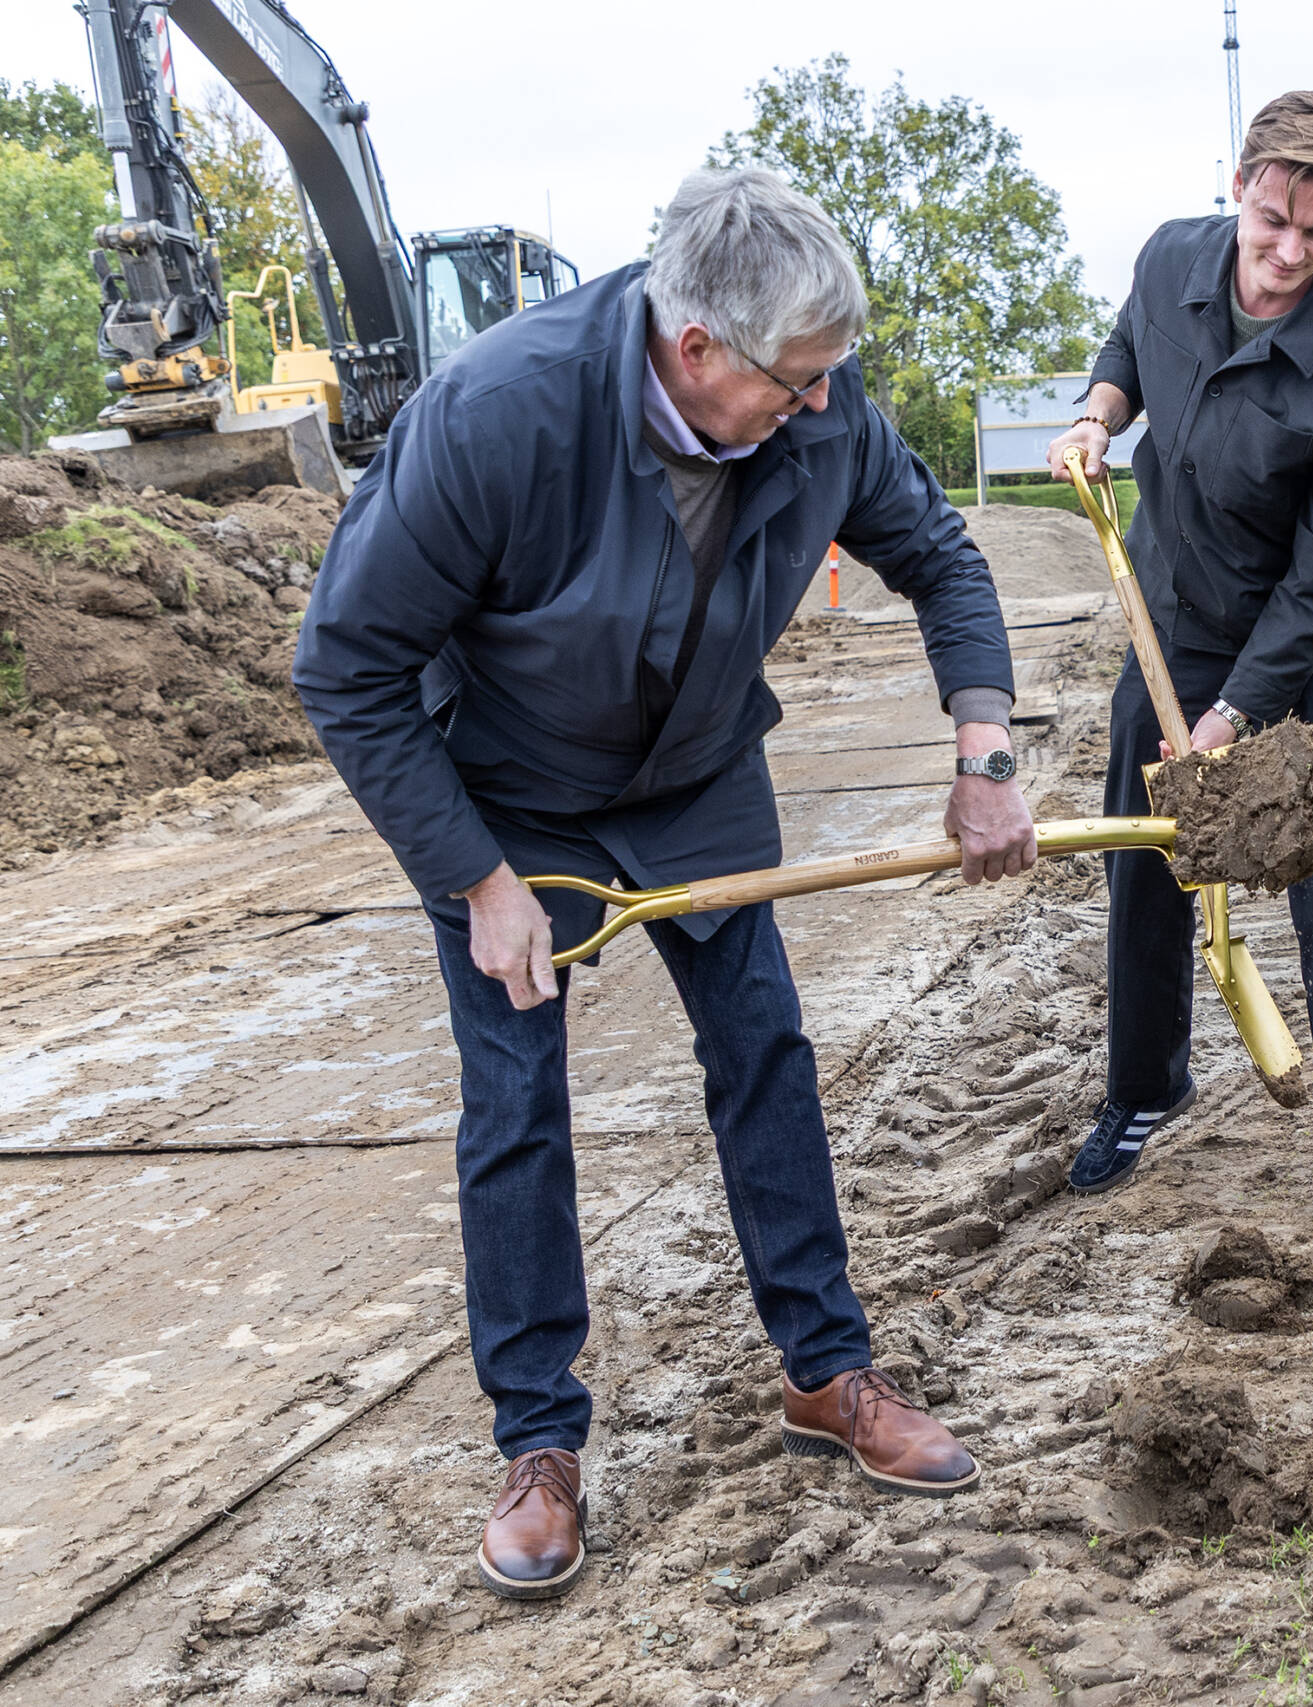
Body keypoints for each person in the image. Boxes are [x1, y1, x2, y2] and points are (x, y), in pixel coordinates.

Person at [294, 168, 1035, 1601]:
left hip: (696, 771)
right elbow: (346, 668)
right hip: (510, 796)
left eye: (829, 377)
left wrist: (985, 750)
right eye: (795, 382)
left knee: (764, 1049)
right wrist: (476, 879)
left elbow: (940, 558)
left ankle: (825, 1369)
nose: (821, 406)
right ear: (697, 349)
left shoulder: (819, 405)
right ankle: (539, 1442)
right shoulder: (498, 414)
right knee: (516, 1099)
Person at [1044, 92, 1313, 1235]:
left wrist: (1230, 718)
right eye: (1273, 222)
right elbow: (1130, 343)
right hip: (1169, 612)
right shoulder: (1171, 257)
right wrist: (1098, 416)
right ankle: (1143, 1088)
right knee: (1142, 859)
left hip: (1302, 653)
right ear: (1239, 187)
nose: (1290, 253)